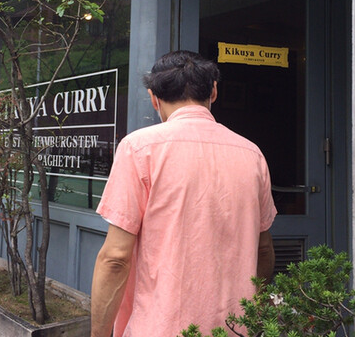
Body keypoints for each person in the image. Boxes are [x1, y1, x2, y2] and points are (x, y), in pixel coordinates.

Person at [91, 50, 277, 336]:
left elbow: (115, 257)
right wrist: (254, 314)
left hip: (160, 327)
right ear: (213, 91)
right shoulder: (252, 154)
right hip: (236, 328)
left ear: (154, 98)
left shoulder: (139, 149)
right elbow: (263, 250)